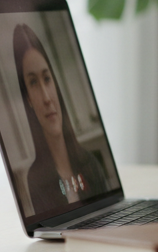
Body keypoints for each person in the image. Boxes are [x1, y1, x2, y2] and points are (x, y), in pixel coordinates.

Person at [12, 23, 109, 216]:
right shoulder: (36, 181)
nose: (46, 97)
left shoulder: (91, 164)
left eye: (47, 79)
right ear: (28, 98)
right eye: (33, 83)